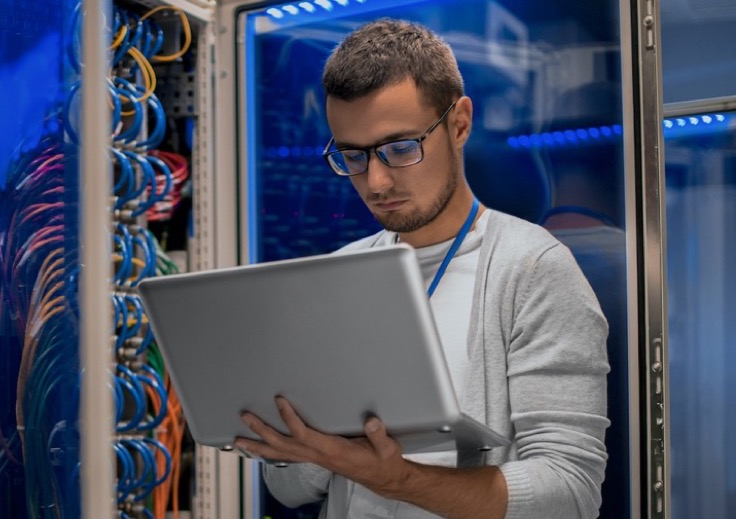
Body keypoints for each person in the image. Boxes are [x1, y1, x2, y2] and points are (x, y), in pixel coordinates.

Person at [233, 18, 610, 519]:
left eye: (401, 148)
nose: (377, 181)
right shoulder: (338, 276)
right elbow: (291, 490)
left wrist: (398, 479)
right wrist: (307, 448)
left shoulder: (532, 269)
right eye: (353, 155)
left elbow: (570, 491)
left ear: (459, 124)